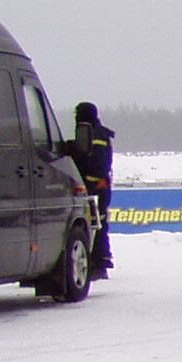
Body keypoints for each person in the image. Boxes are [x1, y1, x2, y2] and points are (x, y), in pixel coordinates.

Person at [70, 102, 115, 277]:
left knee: (97, 223)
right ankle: (98, 259)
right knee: (96, 223)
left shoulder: (96, 135)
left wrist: (91, 181)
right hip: (94, 186)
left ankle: (100, 261)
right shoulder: (92, 133)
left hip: (96, 188)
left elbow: (98, 163)